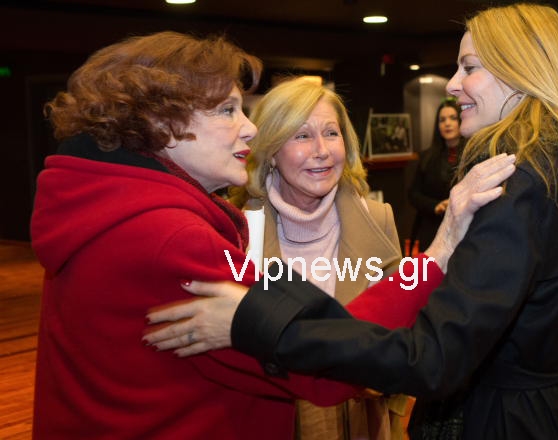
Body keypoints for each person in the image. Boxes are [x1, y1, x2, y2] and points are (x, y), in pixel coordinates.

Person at [144, 3, 558, 439]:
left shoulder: (508, 183)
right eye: (301, 136)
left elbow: (428, 351)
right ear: (271, 151)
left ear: (522, 71)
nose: (452, 84)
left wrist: (257, 321)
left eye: (469, 67)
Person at [30, 31, 515, 439]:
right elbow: (328, 362)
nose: (249, 129)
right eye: (227, 110)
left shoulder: (107, 211)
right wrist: (439, 250)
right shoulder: (174, 238)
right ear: (161, 124)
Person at [232, 76, 407, 440]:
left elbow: (404, 332)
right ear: (271, 151)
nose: (322, 150)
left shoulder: (379, 219)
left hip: (361, 422)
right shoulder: (238, 231)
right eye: (302, 136)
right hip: (275, 422)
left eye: (331, 133)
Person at [409, 98, 465, 251]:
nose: (447, 123)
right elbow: (414, 195)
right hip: (432, 230)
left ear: (461, 120)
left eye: (453, 118)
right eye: (442, 120)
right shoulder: (426, 157)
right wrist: (436, 206)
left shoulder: (473, 156)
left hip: (462, 230)